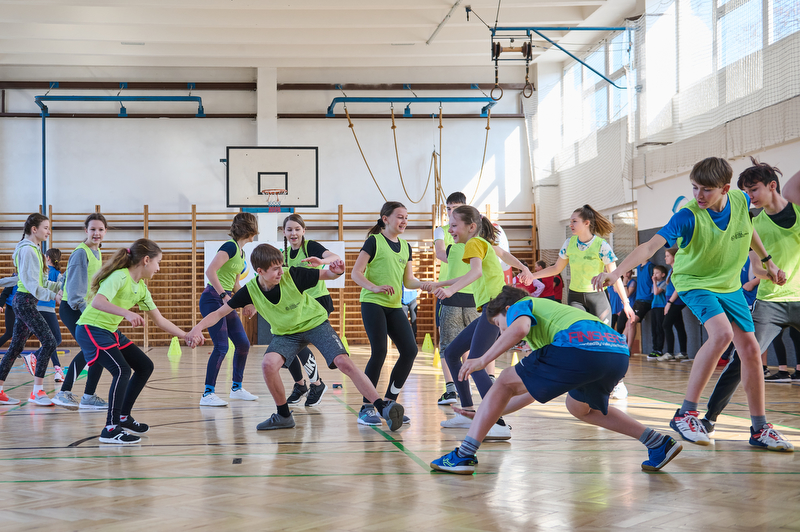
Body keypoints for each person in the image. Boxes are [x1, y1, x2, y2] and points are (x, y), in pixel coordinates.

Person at [593, 156, 793, 451]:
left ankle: (760, 428)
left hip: (729, 286)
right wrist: (616, 272)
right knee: (722, 334)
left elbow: (748, 230)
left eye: (706, 190)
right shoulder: (687, 216)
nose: (699, 195)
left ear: (725, 189)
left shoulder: (740, 201)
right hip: (695, 281)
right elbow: (649, 247)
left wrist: (768, 261)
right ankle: (685, 414)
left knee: (751, 349)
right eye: (695, 187)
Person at [430, 286, 682, 474]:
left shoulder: (522, 304)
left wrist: (483, 359)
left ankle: (464, 455)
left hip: (580, 346)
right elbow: (531, 391)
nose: (502, 331)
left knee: (505, 378)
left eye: (499, 324)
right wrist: (490, 412)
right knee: (580, 408)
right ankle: (657, 442)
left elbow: (519, 328)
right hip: (615, 351)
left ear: (506, 310)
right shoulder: (552, 323)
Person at [187, 244, 405, 431]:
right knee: (268, 364)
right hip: (286, 334)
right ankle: (283, 415)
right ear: (260, 271)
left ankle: (382, 407)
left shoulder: (293, 274)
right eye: (275, 269)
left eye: (281, 266)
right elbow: (219, 313)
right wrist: (197, 328)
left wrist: (336, 272)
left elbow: (325, 275)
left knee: (343, 362)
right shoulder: (250, 290)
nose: (280, 271)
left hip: (314, 323)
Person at [699, 159, 800, 445]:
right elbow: (755, 267)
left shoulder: (798, 211)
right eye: (745, 191)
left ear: (772, 186)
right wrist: (770, 273)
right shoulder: (752, 223)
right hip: (770, 304)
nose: (750, 196)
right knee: (741, 359)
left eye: (754, 189)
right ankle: (709, 418)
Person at [424, 205, 533, 439]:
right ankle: (466, 412)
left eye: (454, 225)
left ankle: (498, 422)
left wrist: (450, 290)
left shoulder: (474, 243)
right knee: (452, 353)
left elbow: (475, 274)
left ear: (471, 227)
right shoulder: (483, 243)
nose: (450, 230)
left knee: (475, 362)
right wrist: (440, 284)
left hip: (495, 309)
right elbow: (492, 261)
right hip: (491, 309)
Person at [75, 239, 199, 444]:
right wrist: (126, 313)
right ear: (146, 260)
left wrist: (185, 335)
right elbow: (98, 302)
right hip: (91, 328)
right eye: (158, 263)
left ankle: (123, 416)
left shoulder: (141, 288)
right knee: (121, 370)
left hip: (109, 331)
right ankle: (111, 428)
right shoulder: (120, 276)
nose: (158, 268)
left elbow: (160, 320)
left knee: (144, 366)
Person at [529, 205, 635, 399]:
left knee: (606, 342)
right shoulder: (569, 243)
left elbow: (615, 277)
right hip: (575, 298)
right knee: (577, 339)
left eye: (574, 221)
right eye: (570, 221)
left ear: (586, 223)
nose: (571, 224)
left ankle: (618, 383)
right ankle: (582, 381)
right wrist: (532, 276)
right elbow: (556, 268)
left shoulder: (602, 245)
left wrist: (625, 303)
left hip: (598, 299)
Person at [351, 201, 422, 426]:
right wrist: (373, 287)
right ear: (385, 219)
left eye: (406, 218)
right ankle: (367, 407)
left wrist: (426, 284)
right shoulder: (374, 241)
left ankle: (390, 404)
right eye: (400, 217)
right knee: (379, 351)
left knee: (410, 350)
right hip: (373, 303)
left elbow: (408, 281)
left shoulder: (406, 246)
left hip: (393, 305)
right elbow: (356, 273)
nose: (404, 221)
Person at [0, 214, 61, 406]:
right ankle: (37, 392)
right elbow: (31, 285)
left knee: (15, 347)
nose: (48, 232)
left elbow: (42, 282)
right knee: (50, 341)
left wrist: (59, 287)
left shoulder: (34, 250)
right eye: (46, 228)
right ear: (34, 229)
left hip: (27, 302)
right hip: (25, 302)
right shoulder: (27, 251)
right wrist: (53, 295)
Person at [199, 212, 259, 407]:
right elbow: (210, 272)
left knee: (243, 344)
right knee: (222, 346)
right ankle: (208, 394)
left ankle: (237, 388)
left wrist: (247, 302)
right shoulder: (229, 246)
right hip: (212, 298)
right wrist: (223, 295)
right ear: (250, 229)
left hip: (224, 299)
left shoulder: (241, 253)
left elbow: (235, 284)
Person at [52, 213, 110, 410]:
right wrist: (89, 312)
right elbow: (76, 293)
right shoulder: (81, 252)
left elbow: (67, 275)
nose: (96, 233)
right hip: (74, 308)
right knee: (92, 348)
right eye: (93, 229)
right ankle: (64, 392)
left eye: (100, 229)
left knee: (99, 348)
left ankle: (88, 396)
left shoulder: (97, 251)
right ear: (86, 230)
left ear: (105, 231)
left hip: (86, 308)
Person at [282, 213, 340, 407]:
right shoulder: (284, 255)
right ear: (284, 232)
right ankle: (301, 385)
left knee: (295, 343)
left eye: (297, 229)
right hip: (299, 306)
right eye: (289, 229)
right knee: (287, 342)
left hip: (317, 303)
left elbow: (334, 257)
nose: (293, 233)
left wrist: (321, 262)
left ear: (303, 231)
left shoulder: (310, 247)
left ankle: (315, 384)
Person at [433, 192, 469, 406]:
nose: (450, 211)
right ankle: (451, 389)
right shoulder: (442, 231)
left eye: (455, 207)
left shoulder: (473, 232)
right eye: (448, 208)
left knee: (472, 344)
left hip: (472, 292)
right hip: (447, 291)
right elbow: (440, 253)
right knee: (447, 342)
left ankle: (472, 388)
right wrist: (461, 258)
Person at [36, 248, 64, 382]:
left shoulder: (44, 272)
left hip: (38, 308)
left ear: (47, 258)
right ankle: (35, 356)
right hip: (46, 309)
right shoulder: (58, 275)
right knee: (55, 339)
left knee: (51, 340)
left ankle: (57, 370)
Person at [658, 248, 688, 361]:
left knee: (666, 324)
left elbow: (678, 288)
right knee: (679, 326)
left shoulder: (678, 269)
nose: (665, 258)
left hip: (676, 301)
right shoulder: (671, 270)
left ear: (674, 257)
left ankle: (670, 353)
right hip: (671, 300)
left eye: (667, 256)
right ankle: (683, 353)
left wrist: (670, 303)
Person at [649, 265, 668, 359]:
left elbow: (656, 292)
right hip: (654, 307)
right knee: (654, 329)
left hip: (661, 307)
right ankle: (654, 348)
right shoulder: (655, 284)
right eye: (653, 273)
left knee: (659, 329)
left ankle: (659, 350)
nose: (654, 275)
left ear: (663, 274)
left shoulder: (664, 283)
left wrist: (654, 282)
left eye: (657, 273)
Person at [0, 281, 17, 349]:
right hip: (11, 308)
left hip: (23, 308)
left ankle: (14, 350)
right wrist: (1, 305)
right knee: (9, 333)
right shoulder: (14, 279)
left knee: (27, 331)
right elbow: (4, 293)